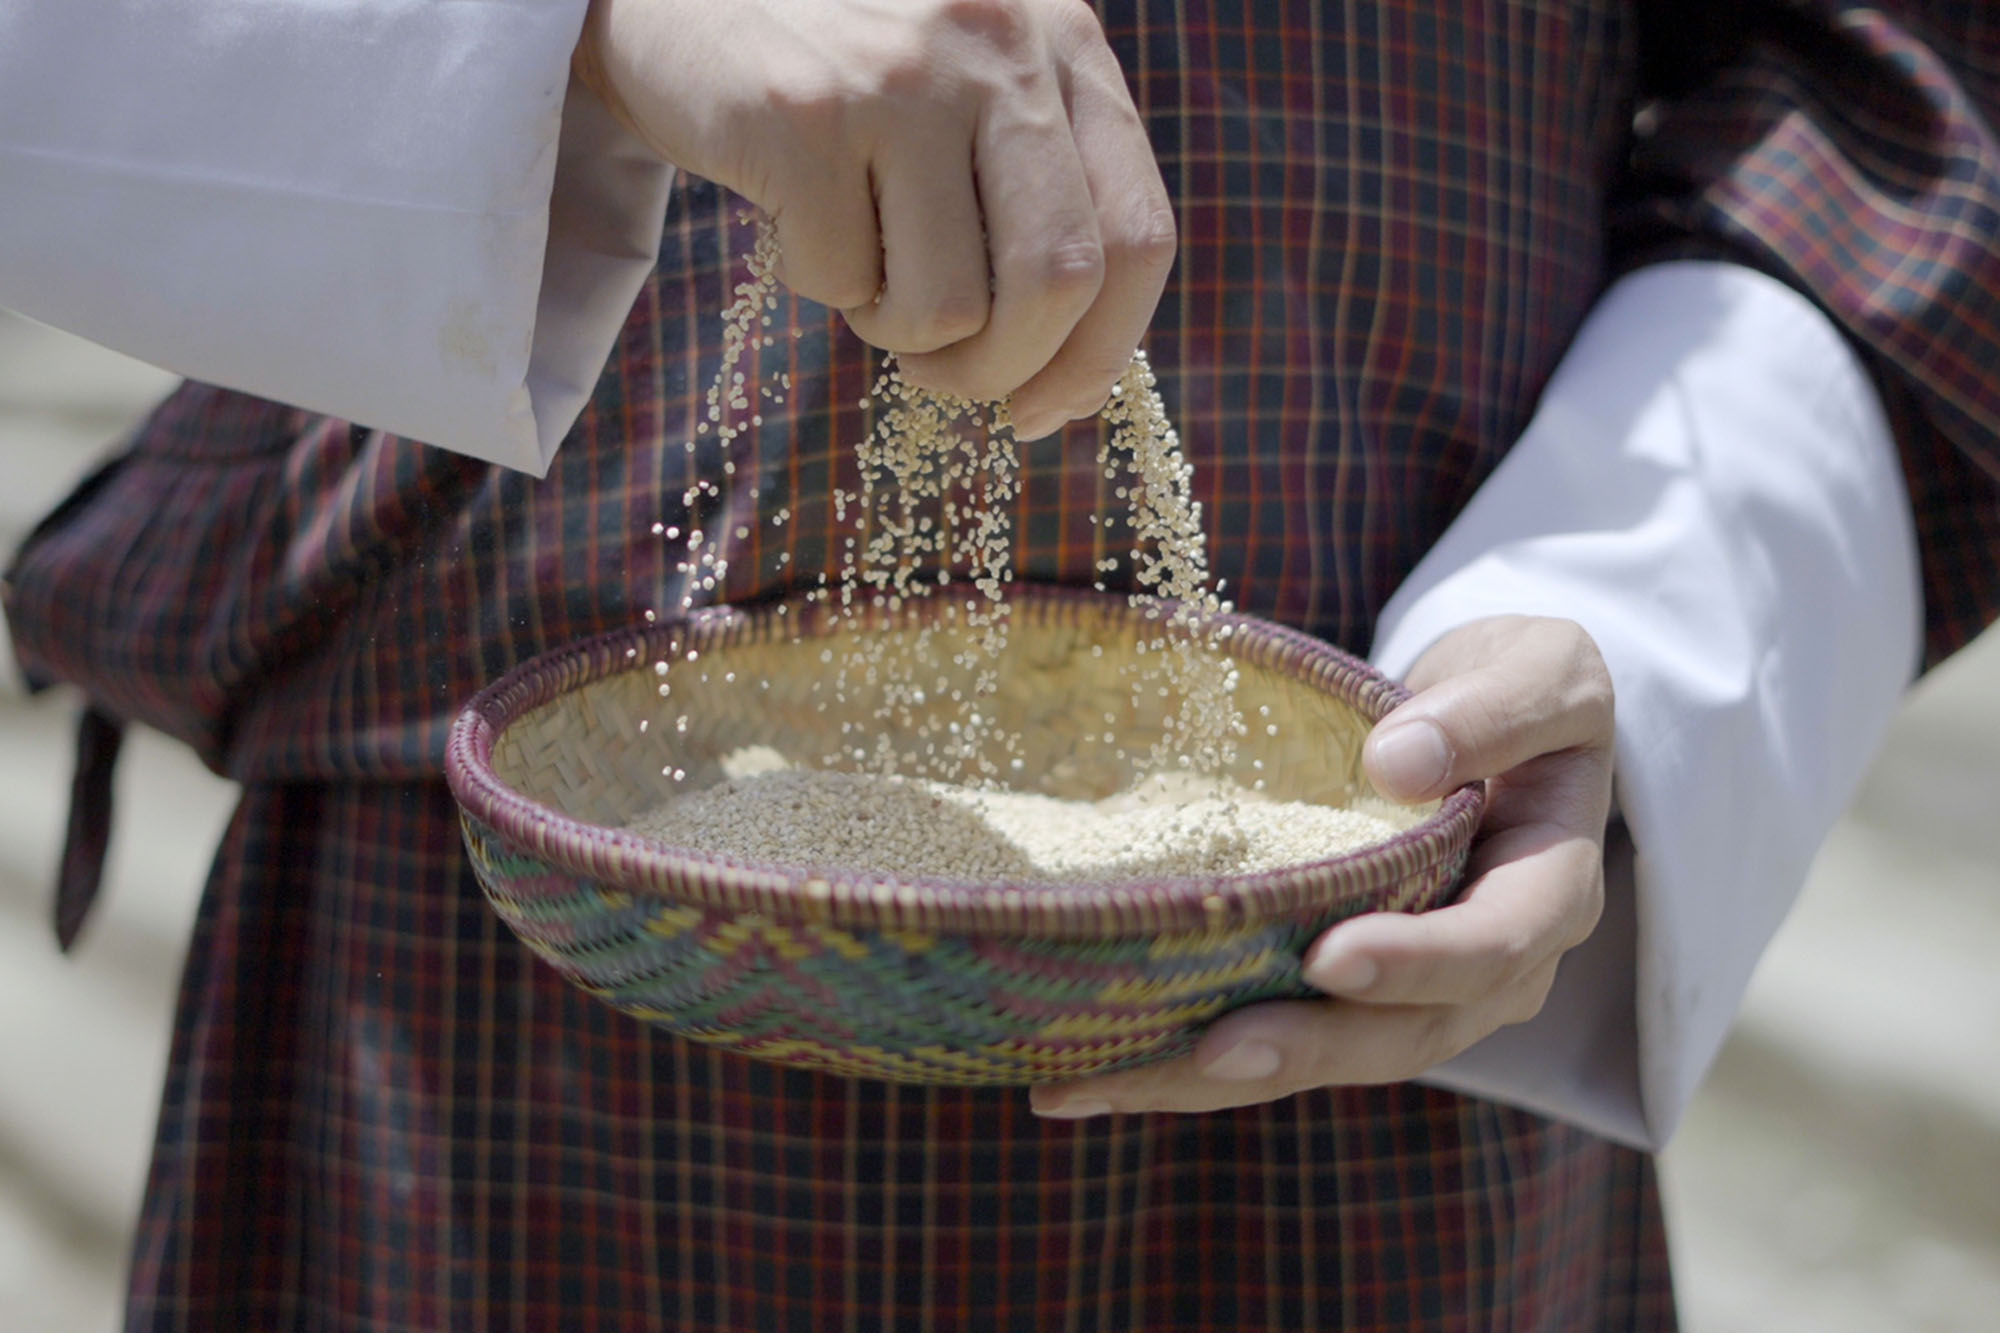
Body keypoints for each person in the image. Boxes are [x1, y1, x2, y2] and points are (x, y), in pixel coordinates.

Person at [2, 0, 1995, 1326]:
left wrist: (1643, 597)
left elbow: (1912, 85)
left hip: (1368, 923)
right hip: (490, 957)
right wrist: (577, 27)